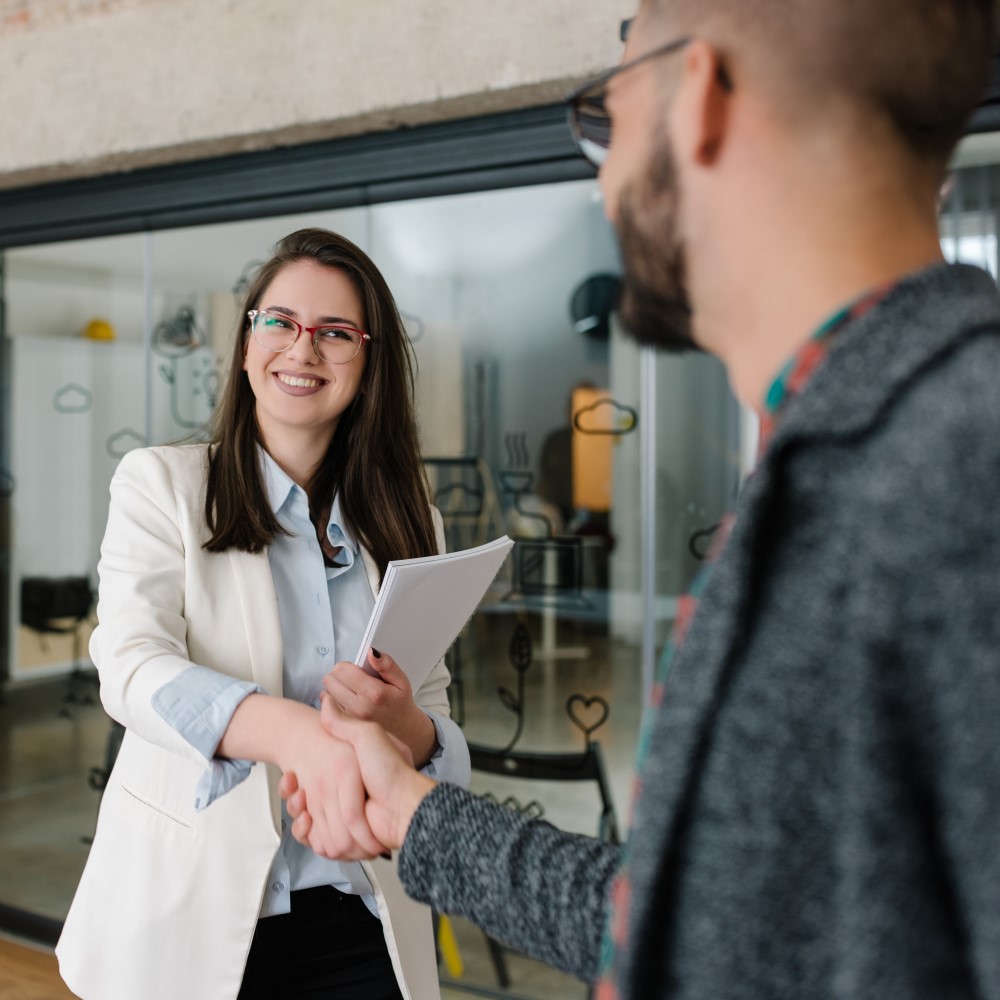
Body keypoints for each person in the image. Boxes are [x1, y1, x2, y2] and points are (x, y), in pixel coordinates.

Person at [280, 1, 1000, 998]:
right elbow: (700, 916)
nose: (606, 179)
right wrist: (410, 812)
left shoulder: (960, 465)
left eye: (604, 120)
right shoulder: (834, 465)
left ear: (697, 96)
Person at [56, 228, 470, 1000]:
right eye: (278, 322)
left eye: (335, 332)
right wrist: (294, 733)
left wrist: (412, 729)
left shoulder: (414, 524)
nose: (301, 349)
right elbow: (130, 666)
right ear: (247, 347)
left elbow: (434, 715)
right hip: (191, 917)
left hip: (365, 914)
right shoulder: (161, 487)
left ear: (368, 362)